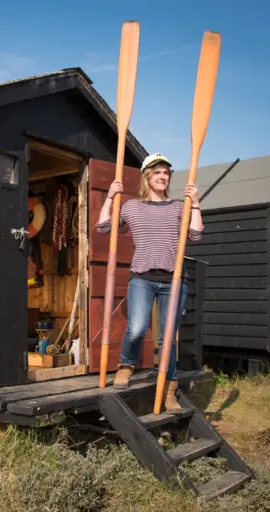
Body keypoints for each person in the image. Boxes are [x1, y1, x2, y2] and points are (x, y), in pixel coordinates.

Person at [95, 153, 204, 411]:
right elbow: (102, 227)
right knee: (136, 328)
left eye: (166, 172)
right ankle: (126, 365)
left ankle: (169, 389)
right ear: (147, 176)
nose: (162, 176)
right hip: (142, 277)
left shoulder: (180, 206)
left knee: (169, 339)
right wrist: (110, 197)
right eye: (157, 172)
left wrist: (196, 203)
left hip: (174, 280)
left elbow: (196, 235)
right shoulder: (132, 206)